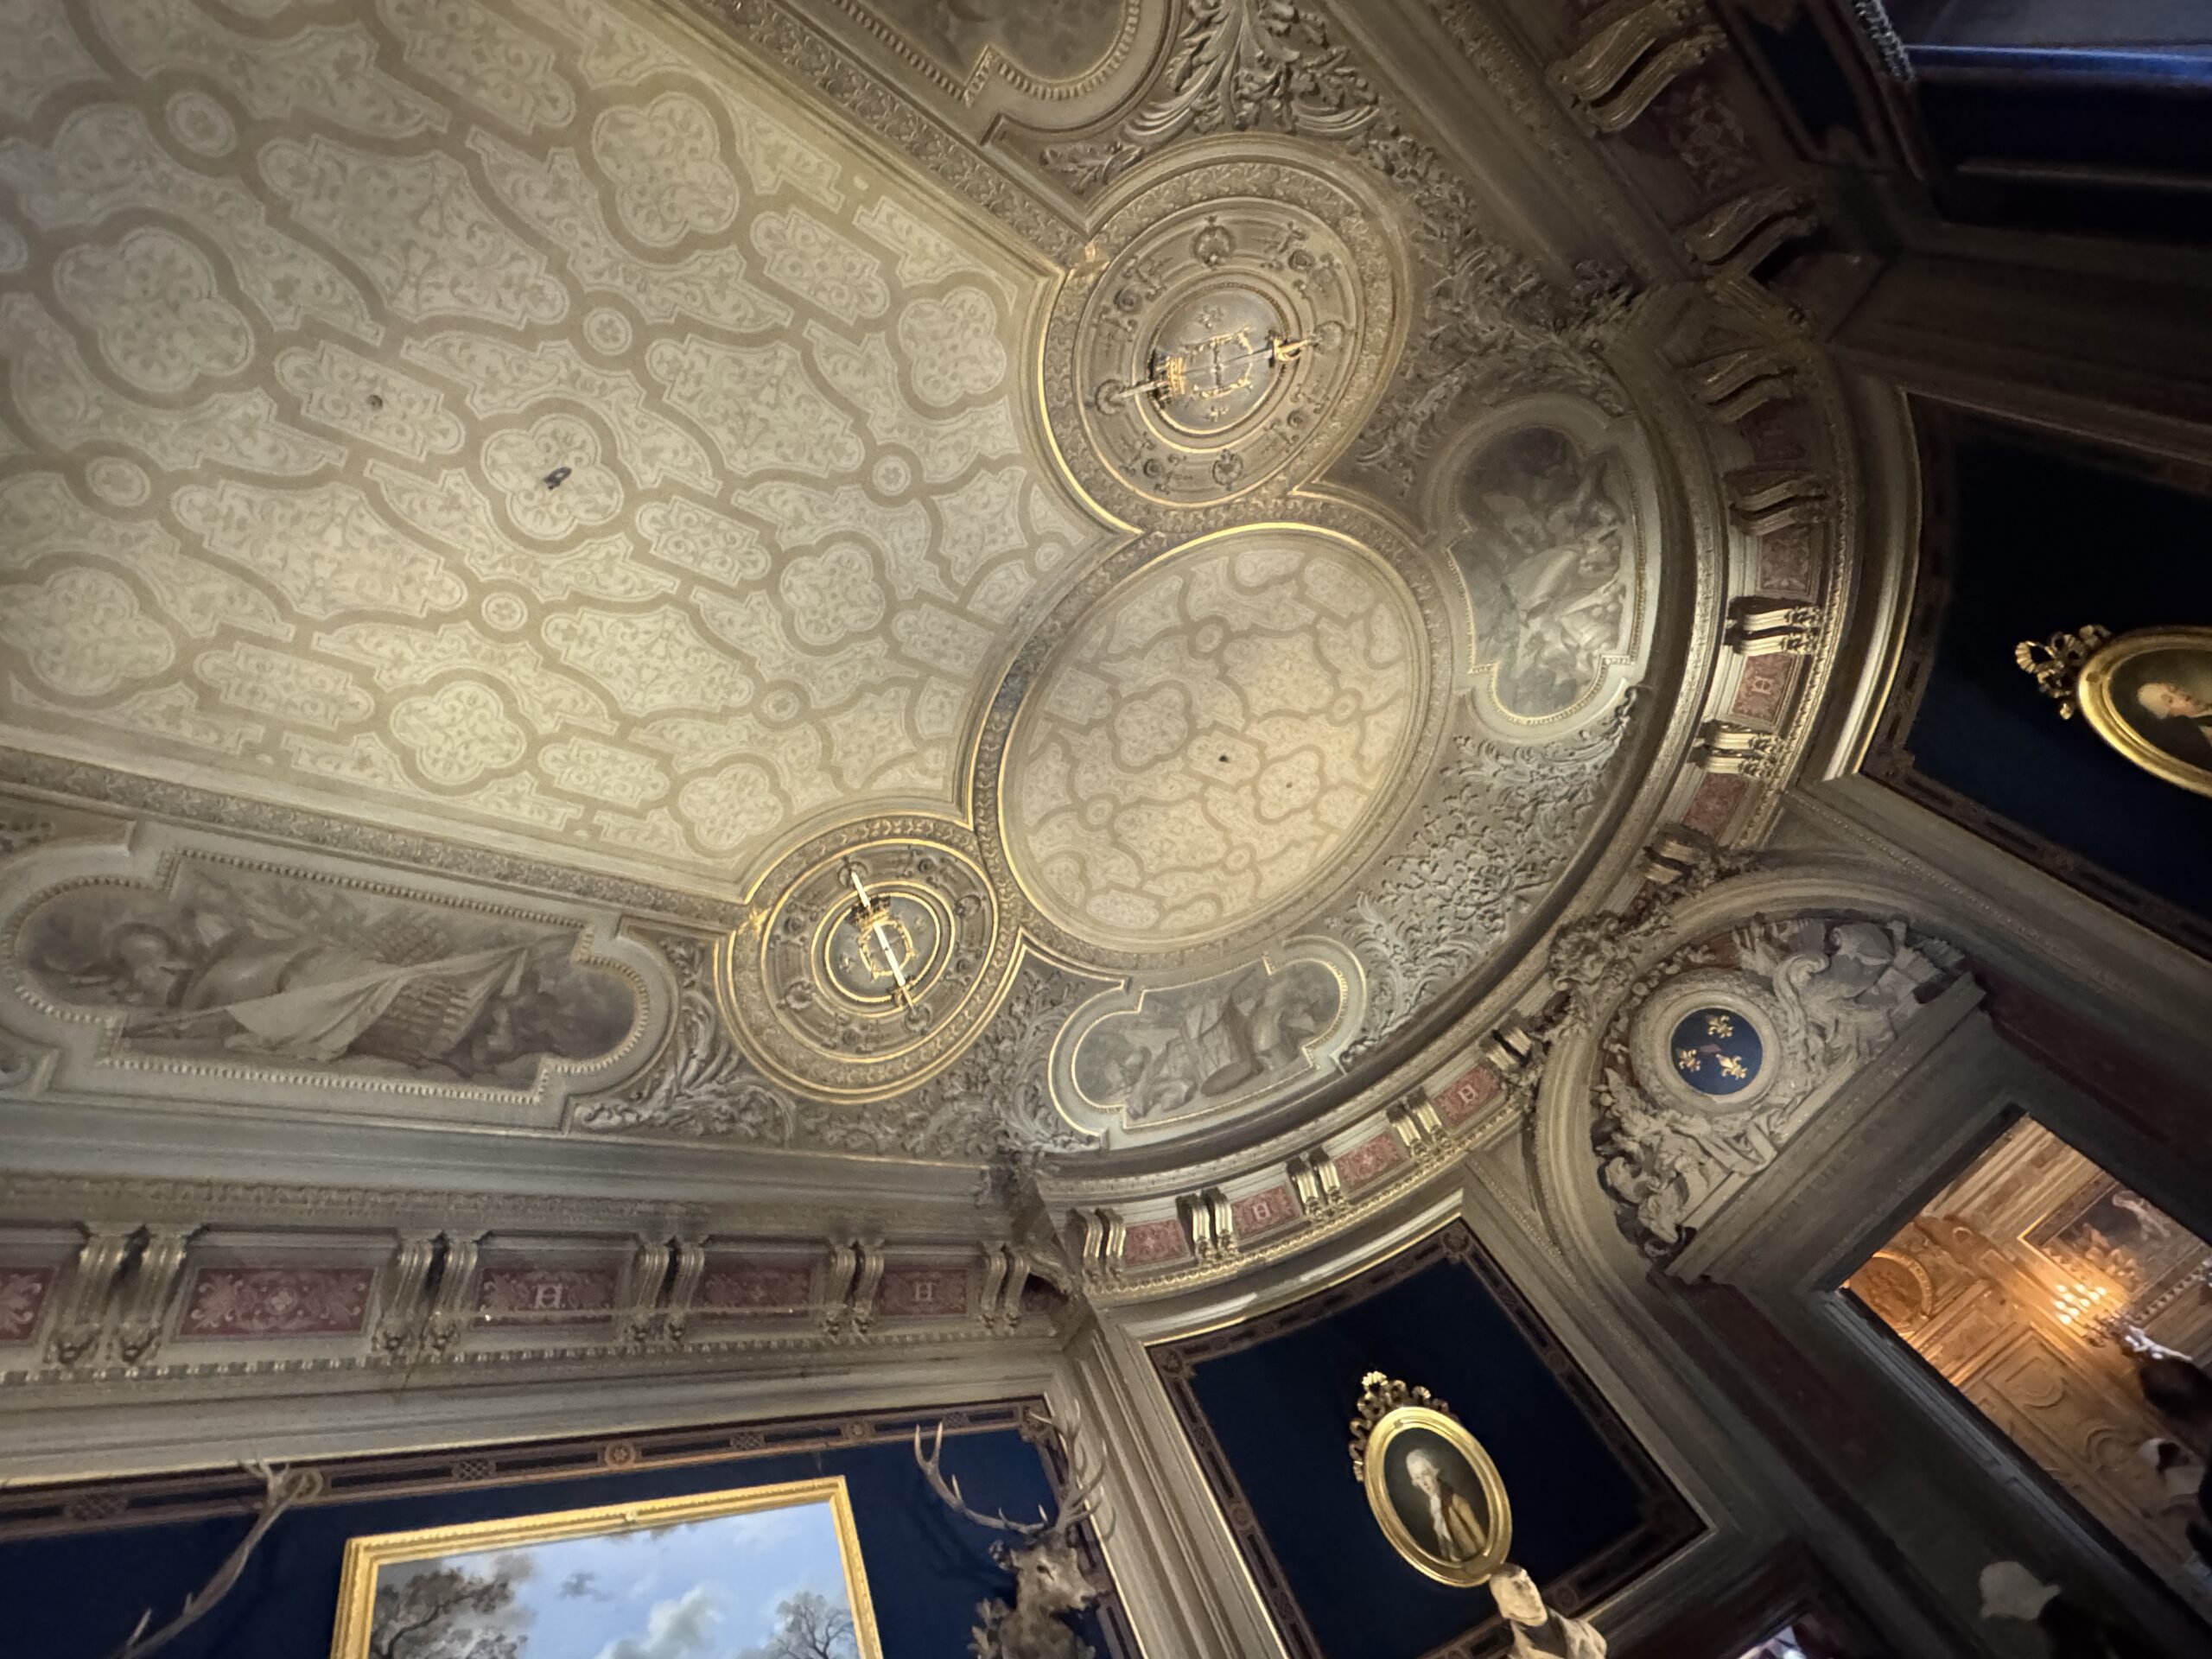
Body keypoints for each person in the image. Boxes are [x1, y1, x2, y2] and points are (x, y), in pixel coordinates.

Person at [1489, 1562, 1605, 1659]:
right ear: (1505, 1608)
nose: (1528, 1589)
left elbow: (1602, 1648)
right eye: (1517, 1586)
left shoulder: (1582, 1628)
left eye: (1526, 1579)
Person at [1404, 1446, 1485, 1564]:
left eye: (1425, 1474)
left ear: (1435, 1472)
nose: (1424, 1482)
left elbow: (1481, 1541)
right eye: (1417, 1478)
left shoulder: (1457, 1502)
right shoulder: (1430, 1507)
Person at [2133, 679, 2212, 760]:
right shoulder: (2204, 737)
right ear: (2170, 715)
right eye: (2170, 701)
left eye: (2175, 689)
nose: (2182, 696)